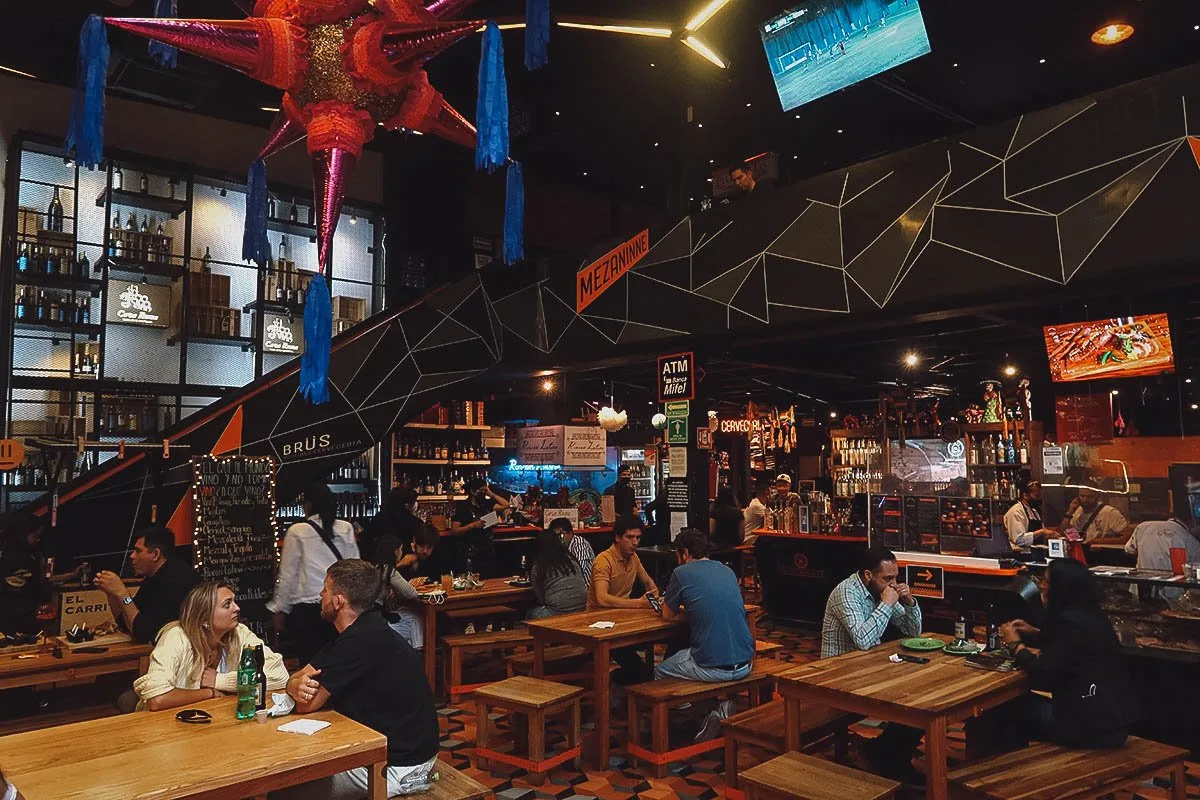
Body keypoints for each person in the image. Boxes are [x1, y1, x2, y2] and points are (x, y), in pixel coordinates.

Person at [282, 560, 439, 799]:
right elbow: (302, 675)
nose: (320, 594)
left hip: (400, 767)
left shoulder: (361, 640)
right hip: (400, 752)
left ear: (339, 600)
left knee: (287, 788)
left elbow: (306, 705)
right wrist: (293, 683)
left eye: (325, 589)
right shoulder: (362, 629)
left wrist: (295, 686)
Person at [992, 559, 1133, 751]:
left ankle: (1002, 772)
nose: (1041, 585)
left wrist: (1015, 645)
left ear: (1062, 588)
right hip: (1111, 719)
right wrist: (1036, 632)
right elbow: (1068, 649)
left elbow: (1043, 674)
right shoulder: (1089, 615)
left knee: (999, 709)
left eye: (1046, 581)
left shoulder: (1069, 624)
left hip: (1088, 727)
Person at [821, 546, 923, 784]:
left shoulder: (880, 590)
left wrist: (909, 602)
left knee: (919, 697)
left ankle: (887, 755)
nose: (894, 583)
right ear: (868, 575)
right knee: (912, 702)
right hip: (836, 676)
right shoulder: (846, 593)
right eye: (888, 578)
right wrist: (887, 604)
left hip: (867, 670)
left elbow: (913, 631)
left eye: (896, 577)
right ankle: (885, 757)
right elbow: (864, 641)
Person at [657, 530, 755, 741]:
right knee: (687, 655)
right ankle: (717, 708)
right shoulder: (726, 571)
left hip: (713, 666)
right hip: (746, 663)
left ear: (684, 553)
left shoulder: (681, 573)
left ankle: (693, 716)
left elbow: (666, 614)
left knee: (660, 673)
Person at [133, 581, 288, 711]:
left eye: (234, 601)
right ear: (205, 619)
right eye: (227, 605)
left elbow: (280, 676)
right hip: (163, 729)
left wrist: (220, 680)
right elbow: (157, 699)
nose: (237, 608)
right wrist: (209, 693)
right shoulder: (176, 637)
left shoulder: (239, 633)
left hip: (211, 720)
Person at [267, 483, 359, 666]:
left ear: (308, 505)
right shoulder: (346, 528)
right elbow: (355, 568)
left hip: (308, 612)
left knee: (311, 665)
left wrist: (279, 609)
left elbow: (287, 576)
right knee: (339, 662)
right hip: (339, 607)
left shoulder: (297, 531)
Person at [95, 525, 199, 645]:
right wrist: (112, 594)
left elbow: (143, 633)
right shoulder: (153, 577)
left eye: (138, 551)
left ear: (155, 554)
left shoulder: (175, 580)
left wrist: (122, 594)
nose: (132, 556)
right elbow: (127, 622)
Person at [589, 516, 662, 683]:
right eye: (630, 537)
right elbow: (602, 599)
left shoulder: (634, 557)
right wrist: (639, 604)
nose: (635, 542)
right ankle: (616, 684)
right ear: (617, 537)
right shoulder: (603, 560)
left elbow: (649, 583)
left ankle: (630, 687)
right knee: (639, 670)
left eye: (638, 538)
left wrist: (654, 594)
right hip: (600, 623)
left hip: (623, 619)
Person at [1124, 512, 1200, 604]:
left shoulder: (1142, 527)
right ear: (1191, 523)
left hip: (1140, 589)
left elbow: (1129, 550)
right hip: (1172, 593)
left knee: (1143, 615)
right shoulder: (1189, 539)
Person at [448, 478, 509, 578]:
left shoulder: (485, 504)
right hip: (470, 552)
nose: (484, 493)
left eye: (485, 490)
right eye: (482, 490)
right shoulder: (463, 506)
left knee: (488, 579)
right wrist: (472, 525)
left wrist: (491, 494)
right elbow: (454, 531)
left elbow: (505, 505)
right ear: (473, 491)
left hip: (487, 550)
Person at [527, 529, 587, 619]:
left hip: (556, 611)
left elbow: (540, 598)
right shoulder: (571, 559)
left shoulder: (540, 566)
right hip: (581, 608)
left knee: (529, 614)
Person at [363, 487, 423, 569]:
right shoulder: (415, 522)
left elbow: (367, 538)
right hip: (407, 564)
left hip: (381, 566)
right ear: (407, 504)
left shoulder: (379, 517)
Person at [1061, 481, 1129, 542]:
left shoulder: (1110, 512)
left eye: (1089, 497)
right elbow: (1064, 533)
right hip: (1083, 551)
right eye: (1082, 496)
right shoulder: (1077, 511)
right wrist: (1069, 513)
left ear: (1097, 496)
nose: (1085, 500)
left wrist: (1098, 541)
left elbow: (1126, 537)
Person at [550, 516, 595, 587]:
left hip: (586, 590)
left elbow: (577, 571)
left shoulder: (579, 544)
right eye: (555, 536)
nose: (558, 539)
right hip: (569, 587)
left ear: (570, 533)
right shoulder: (558, 547)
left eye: (561, 535)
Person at [1003, 480, 1046, 552]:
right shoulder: (1016, 511)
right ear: (1025, 495)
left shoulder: (1034, 511)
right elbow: (1019, 540)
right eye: (1036, 495)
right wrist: (1042, 532)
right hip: (1021, 555)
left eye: (1040, 495)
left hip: (1037, 553)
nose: (1039, 498)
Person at [742, 479, 771, 543]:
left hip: (753, 538)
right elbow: (774, 517)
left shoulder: (760, 503)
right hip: (748, 540)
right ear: (767, 491)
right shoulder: (756, 505)